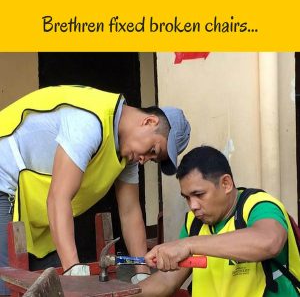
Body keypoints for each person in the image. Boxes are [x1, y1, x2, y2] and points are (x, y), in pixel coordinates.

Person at [0, 85, 191, 295]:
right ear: (149, 121)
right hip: (3, 182)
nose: (145, 159)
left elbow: (130, 211)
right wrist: (74, 271)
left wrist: (142, 273)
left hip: (25, 201)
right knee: (9, 282)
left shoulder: (128, 152)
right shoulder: (90, 122)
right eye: (153, 150)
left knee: (50, 285)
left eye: (153, 159)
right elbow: (58, 198)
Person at [137, 146, 300, 297]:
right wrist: (122, 293)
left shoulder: (258, 205)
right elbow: (167, 281)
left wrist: (189, 244)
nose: (192, 206)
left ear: (226, 183)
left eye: (199, 194)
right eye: (187, 197)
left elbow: (269, 241)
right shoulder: (194, 223)